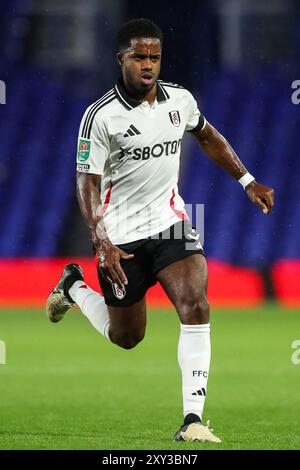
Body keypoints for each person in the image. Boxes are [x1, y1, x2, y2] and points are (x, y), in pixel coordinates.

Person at [46, 18, 274, 443]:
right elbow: (86, 183)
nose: (148, 65)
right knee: (127, 337)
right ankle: (73, 286)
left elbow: (208, 137)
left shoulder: (180, 101)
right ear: (121, 59)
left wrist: (247, 180)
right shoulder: (99, 117)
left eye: (155, 56)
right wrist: (101, 242)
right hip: (119, 238)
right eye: (139, 57)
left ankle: (192, 419)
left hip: (171, 227)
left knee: (196, 304)